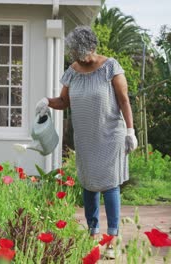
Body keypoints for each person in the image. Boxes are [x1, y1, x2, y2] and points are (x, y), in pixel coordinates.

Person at [35, 26, 138, 258]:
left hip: (110, 135)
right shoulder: (72, 71)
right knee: (89, 185)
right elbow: (64, 101)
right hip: (85, 137)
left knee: (110, 185)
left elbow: (124, 100)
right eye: (76, 53)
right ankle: (93, 235)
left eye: (84, 52)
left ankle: (111, 240)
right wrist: (47, 102)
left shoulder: (111, 67)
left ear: (92, 47)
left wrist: (130, 131)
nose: (82, 58)